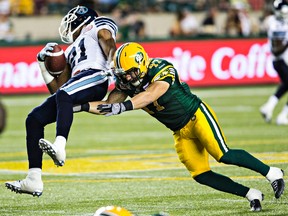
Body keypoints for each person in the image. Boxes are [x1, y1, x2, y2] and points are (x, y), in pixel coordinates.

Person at [75, 42, 285, 212]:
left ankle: (272, 173)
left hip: (196, 115)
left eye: (128, 73)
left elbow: (151, 94)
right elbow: (108, 106)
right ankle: (251, 194)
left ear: (140, 64)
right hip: (180, 132)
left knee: (223, 154)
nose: (125, 78)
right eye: (122, 74)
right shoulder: (127, 83)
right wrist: (78, 106)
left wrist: (123, 107)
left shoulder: (161, 68)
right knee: (200, 174)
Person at [5, 5, 118, 197]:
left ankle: (60, 146)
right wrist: (42, 65)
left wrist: (112, 62)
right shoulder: (71, 49)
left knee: (64, 95)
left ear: (80, 20)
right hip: (78, 82)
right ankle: (33, 178)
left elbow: (107, 38)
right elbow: (58, 93)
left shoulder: (97, 24)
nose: (68, 28)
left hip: (96, 74)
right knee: (34, 119)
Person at [260, 0, 288, 125]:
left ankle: (270, 107)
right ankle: (280, 114)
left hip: (281, 61)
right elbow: (277, 49)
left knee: (285, 85)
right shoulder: (274, 23)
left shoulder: (275, 21)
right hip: (281, 60)